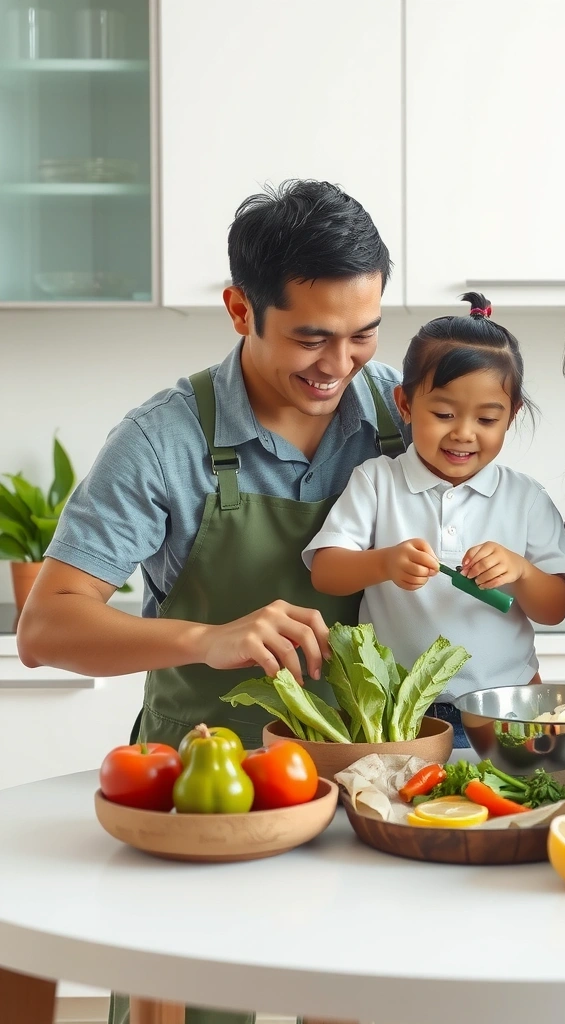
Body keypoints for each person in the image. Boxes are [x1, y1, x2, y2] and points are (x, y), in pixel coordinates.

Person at [17, 179, 408, 1024]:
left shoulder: (404, 413)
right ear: (240, 310)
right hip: (205, 792)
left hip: (366, 789)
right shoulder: (165, 438)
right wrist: (206, 636)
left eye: (364, 334)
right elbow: (46, 627)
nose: (339, 366)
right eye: (312, 338)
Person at [303, 293, 565, 735]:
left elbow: (555, 609)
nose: (464, 433)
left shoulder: (525, 498)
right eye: (444, 413)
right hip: (398, 714)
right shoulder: (377, 481)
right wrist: (384, 562)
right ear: (406, 404)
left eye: (488, 419)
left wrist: (522, 573)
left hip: (505, 708)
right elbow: (325, 571)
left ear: (512, 416)